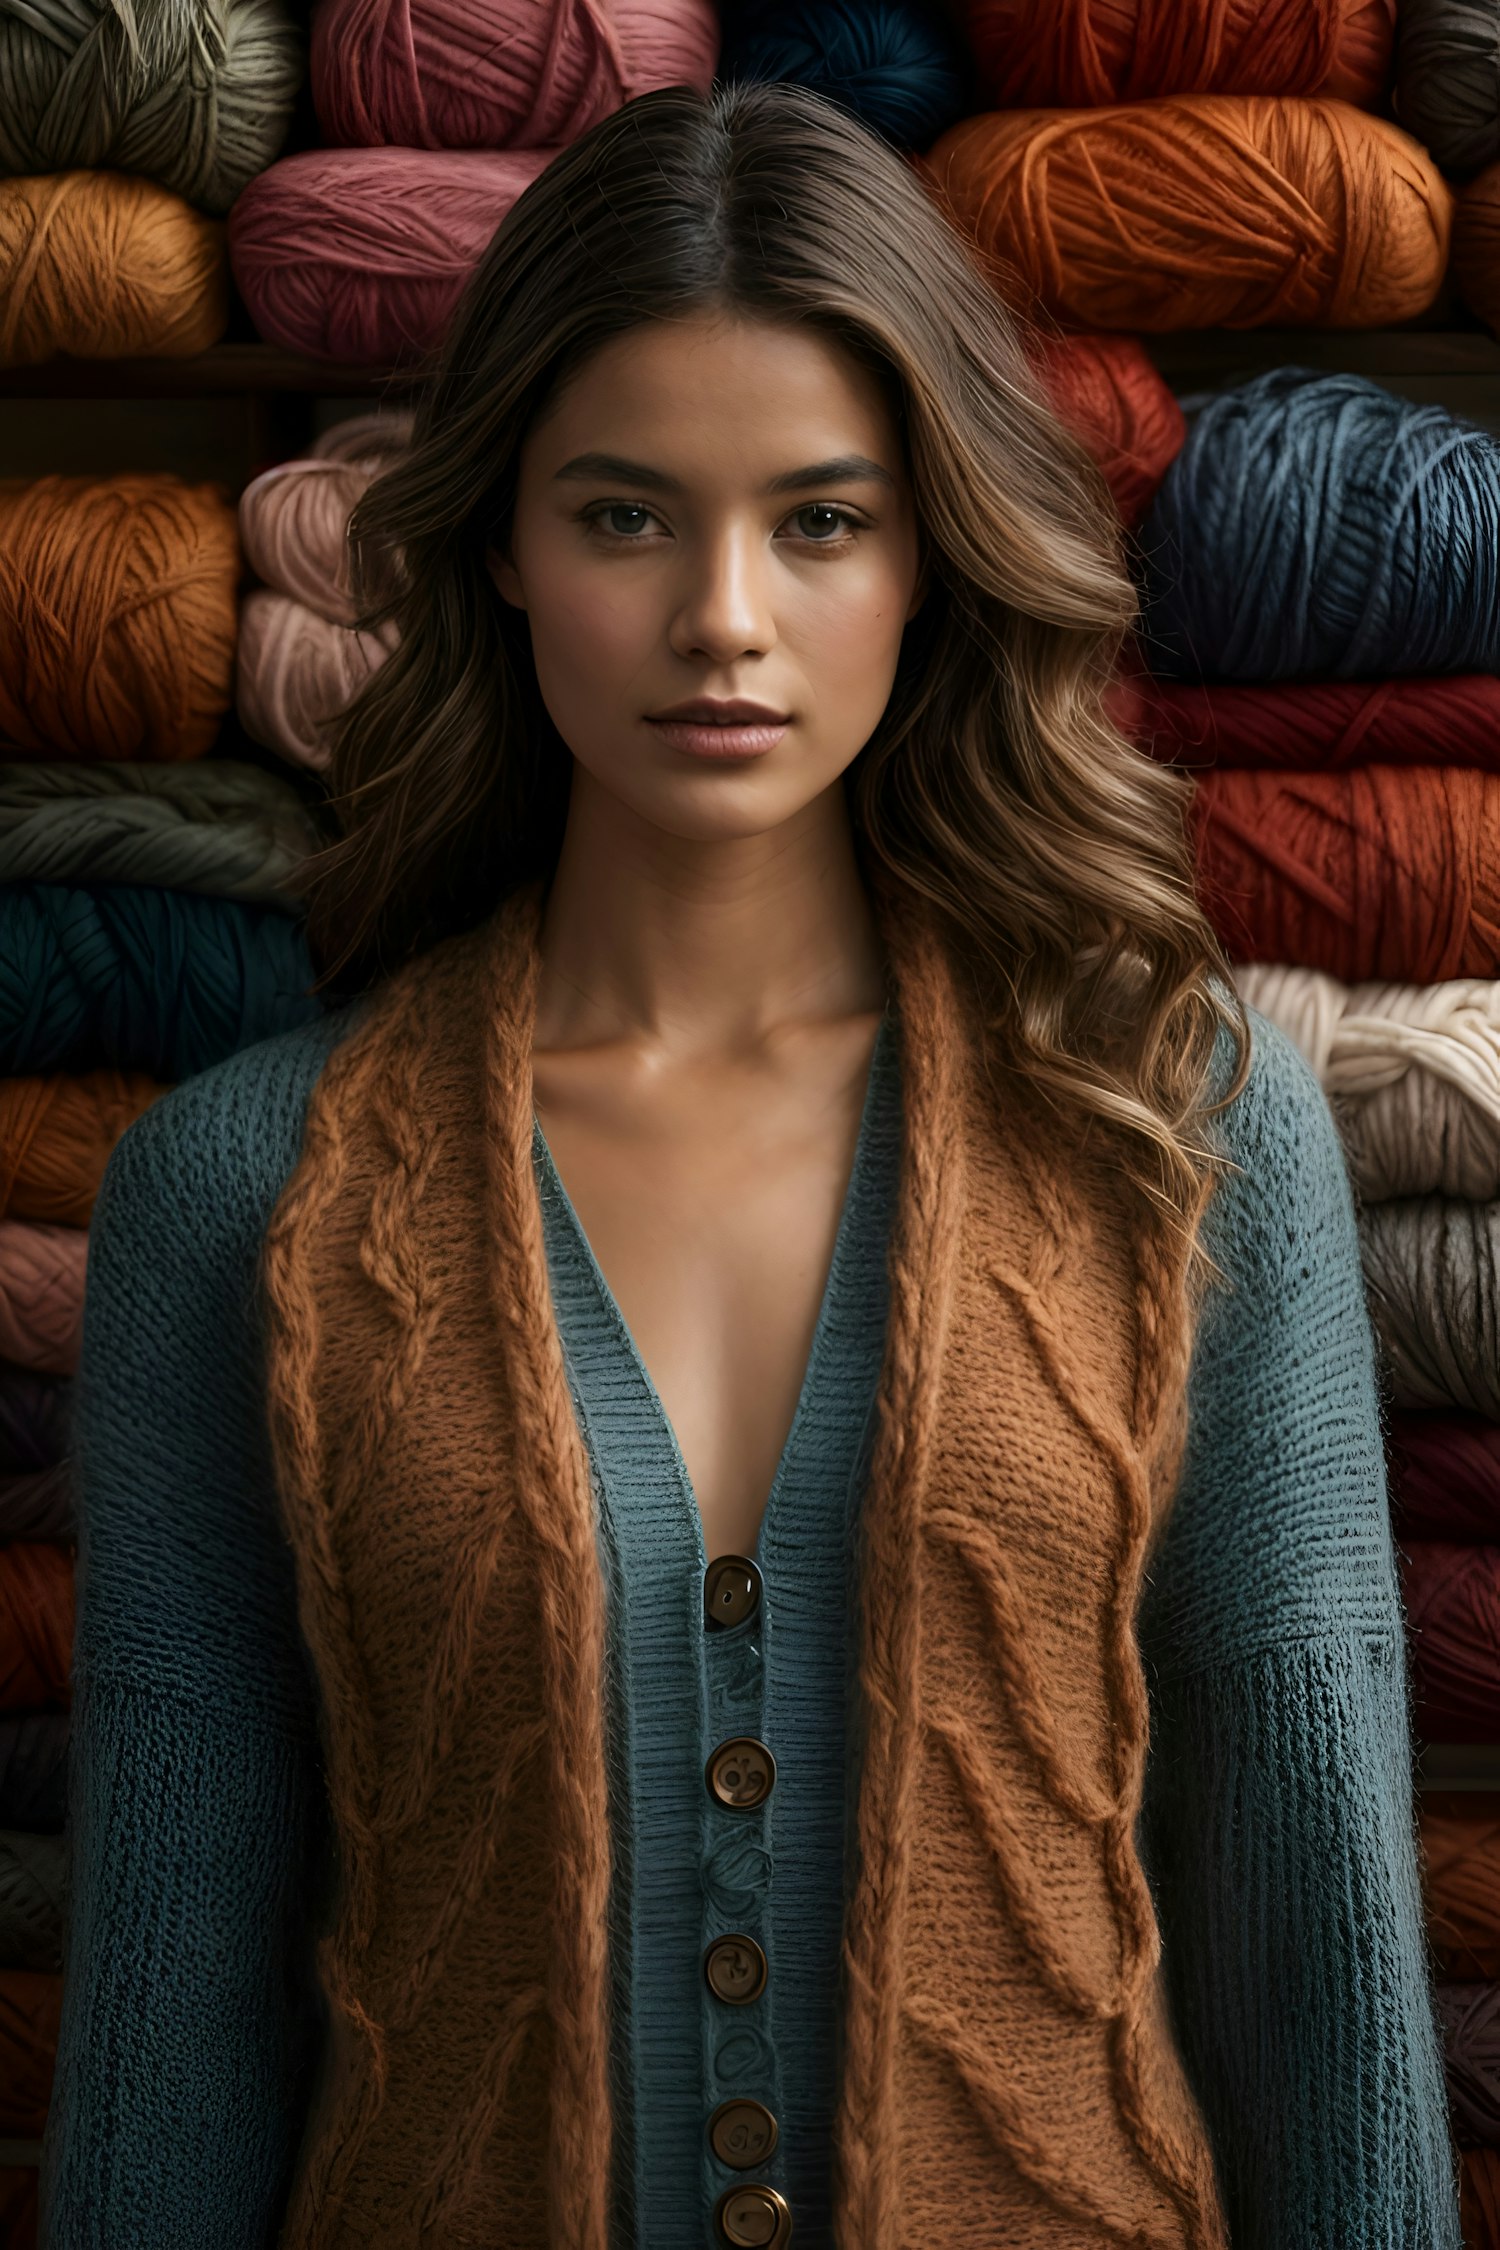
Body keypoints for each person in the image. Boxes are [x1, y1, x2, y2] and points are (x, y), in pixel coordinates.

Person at [43, 79, 1456, 2250]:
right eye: (625, 516)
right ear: (499, 543)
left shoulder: (1180, 1132)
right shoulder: (238, 1198)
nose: (724, 613)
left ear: (934, 552)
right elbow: (174, 2016)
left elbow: (1319, 1963)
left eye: (820, 518)